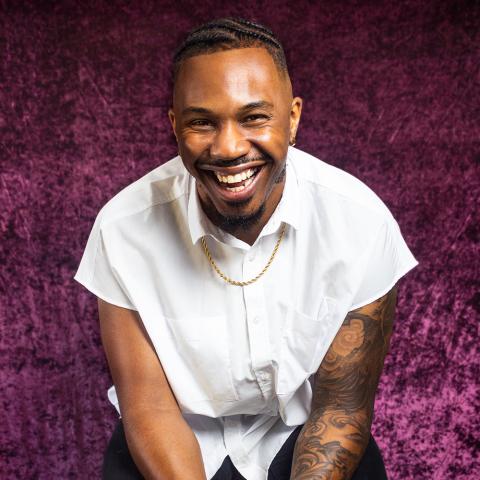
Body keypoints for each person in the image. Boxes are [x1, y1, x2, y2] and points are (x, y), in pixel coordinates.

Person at [74, 17, 418, 480]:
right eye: (202, 122)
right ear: (175, 127)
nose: (230, 147)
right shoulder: (123, 229)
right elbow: (149, 407)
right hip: (174, 433)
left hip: (302, 429)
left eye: (254, 117)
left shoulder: (359, 223)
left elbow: (341, 409)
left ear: (292, 118)